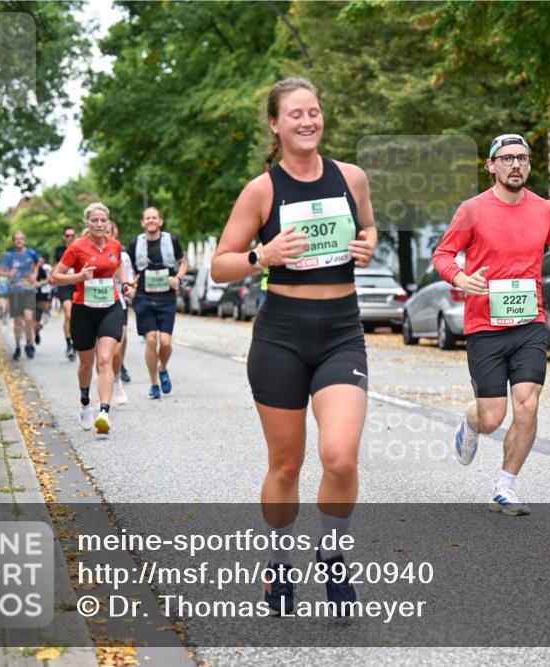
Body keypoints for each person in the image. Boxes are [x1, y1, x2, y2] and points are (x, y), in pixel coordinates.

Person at [211, 77, 377, 615]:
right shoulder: (262, 190)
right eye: (296, 114)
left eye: (315, 112)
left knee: (341, 456)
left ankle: (333, 553)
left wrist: (366, 245)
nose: (308, 121)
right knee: (286, 465)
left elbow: (369, 228)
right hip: (281, 335)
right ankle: (279, 563)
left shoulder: (351, 177)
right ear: (275, 124)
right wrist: (265, 254)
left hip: (341, 333)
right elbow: (219, 267)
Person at [432, 133, 550, 516]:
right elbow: (443, 254)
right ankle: (470, 419)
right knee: (492, 417)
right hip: (484, 325)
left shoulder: (545, 209)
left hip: (529, 322)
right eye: (508, 158)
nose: (517, 165)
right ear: (491, 165)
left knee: (527, 405)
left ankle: (506, 484)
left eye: (523, 158)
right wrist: (460, 278)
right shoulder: (472, 210)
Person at [51, 203, 133, 435]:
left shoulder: (115, 245)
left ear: (108, 223)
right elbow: (55, 277)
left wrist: (125, 283)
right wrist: (78, 276)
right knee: (86, 363)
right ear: (86, 223)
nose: (99, 225)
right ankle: (85, 402)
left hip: (110, 307)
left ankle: (104, 412)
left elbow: (118, 266)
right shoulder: (76, 247)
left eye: (103, 221)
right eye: (94, 220)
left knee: (105, 359)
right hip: (83, 310)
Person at [127, 207, 187, 399]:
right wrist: (131, 282)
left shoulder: (172, 240)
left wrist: (177, 278)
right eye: (147, 218)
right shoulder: (135, 243)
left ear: (160, 221)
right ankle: (153, 384)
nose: (151, 220)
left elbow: (183, 262)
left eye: (154, 217)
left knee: (166, 342)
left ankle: (163, 368)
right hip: (144, 295)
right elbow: (128, 268)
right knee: (151, 339)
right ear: (142, 222)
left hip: (166, 296)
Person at [0, 231, 39, 361]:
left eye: (21, 239)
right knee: (17, 321)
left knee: (28, 317)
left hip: (28, 289)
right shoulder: (9, 255)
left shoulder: (31, 253)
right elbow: (1, 271)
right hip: (15, 290)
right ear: (13, 241)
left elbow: (37, 263)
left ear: (24, 240)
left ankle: (29, 343)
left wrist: (34, 274)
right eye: (16, 239)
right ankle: (17, 346)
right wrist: (9, 273)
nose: (19, 241)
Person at [108, 222, 132, 406]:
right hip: (94, 306)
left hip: (118, 305)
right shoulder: (86, 252)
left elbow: (128, 281)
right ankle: (103, 391)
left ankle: (116, 380)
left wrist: (129, 287)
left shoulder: (122, 256)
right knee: (101, 356)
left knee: (117, 349)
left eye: (109, 231)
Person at [54, 225, 78, 361]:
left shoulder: (80, 248)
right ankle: (69, 344)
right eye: (68, 235)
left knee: (76, 316)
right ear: (64, 237)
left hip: (78, 285)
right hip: (64, 285)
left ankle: (76, 342)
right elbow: (58, 268)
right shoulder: (59, 251)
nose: (70, 238)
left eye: (72, 235)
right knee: (68, 313)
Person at [34, 252, 54, 345]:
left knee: (45, 315)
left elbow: (49, 279)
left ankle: (38, 329)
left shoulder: (44, 269)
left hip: (43, 296)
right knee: (34, 320)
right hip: (31, 297)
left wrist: (40, 283)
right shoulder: (30, 269)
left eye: (41, 260)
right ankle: (36, 333)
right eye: (38, 260)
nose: (40, 261)